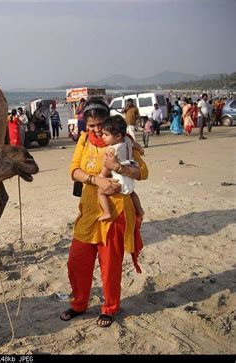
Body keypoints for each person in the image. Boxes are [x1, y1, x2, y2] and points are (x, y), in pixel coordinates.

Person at [60, 97, 148, 328]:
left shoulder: (122, 140)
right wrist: (96, 180)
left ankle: (109, 308)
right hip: (89, 212)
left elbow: (143, 172)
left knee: (110, 266)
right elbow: (74, 170)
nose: (96, 130)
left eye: (100, 124)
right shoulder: (83, 141)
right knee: (77, 262)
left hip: (116, 212)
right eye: (91, 126)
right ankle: (79, 304)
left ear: (107, 122)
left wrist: (120, 168)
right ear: (85, 126)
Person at [97, 115, 145, 222]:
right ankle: (140, 209)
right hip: (130, 170)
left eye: (106, 135)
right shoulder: (127, 140)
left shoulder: (111, 149)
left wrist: (102, 176)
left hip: (119, 177)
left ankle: (107, 212)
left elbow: (107, 164)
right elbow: (136, 145)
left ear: (118, 136)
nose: (103, 137)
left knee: (101, 192)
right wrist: (141, 149)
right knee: (132, 192)